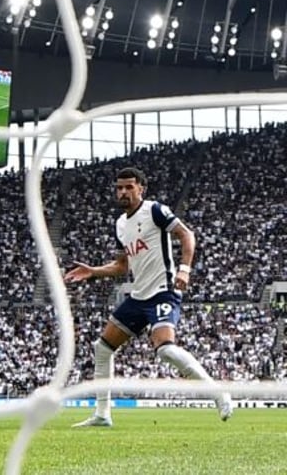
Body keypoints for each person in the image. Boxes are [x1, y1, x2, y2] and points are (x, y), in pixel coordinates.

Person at [66, 167, 232, 428]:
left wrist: (185, 270)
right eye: (119, 187)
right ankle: (102, 414)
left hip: (163, 291)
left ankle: (217, 392)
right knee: (102, 348)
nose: (123, 192)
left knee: (165, 349)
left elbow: (187, 234)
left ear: (141, 188)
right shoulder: (120, 225)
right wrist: (94, 272)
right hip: (138, 295)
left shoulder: (155, 210)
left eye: (129, 187)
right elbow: (123, 266)